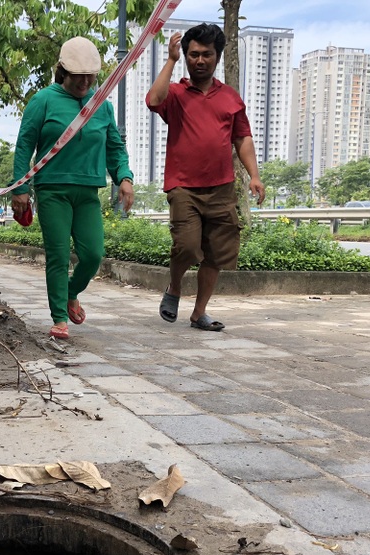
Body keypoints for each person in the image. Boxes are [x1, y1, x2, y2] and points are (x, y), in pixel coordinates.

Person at [12, 36, 135, 340]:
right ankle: (59, 318)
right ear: (62, 71)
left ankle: (70, 294)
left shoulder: (101, 107)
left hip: (88, 191)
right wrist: (20, 187)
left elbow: (115, 149)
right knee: (58, 255)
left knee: (93, 254)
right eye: (77, 76)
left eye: (90, 76)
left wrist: (125, 177)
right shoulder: (43, 100)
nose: (84, 82)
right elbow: (24, 144)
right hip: (52, 189)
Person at [147, 23, 265, 331]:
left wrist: (254, 175)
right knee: (186, 246)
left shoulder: (230, 98)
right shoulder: (175, 94)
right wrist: (170, 61)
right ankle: (174, 287)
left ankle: (199, 312)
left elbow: (243, 138)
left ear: (218, 56)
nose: (200, 60)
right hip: (183, 185)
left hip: (222, 187)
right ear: (186, 56)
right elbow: (153, 100)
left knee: (217, 253)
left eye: (207, 55)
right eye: (193, 54)